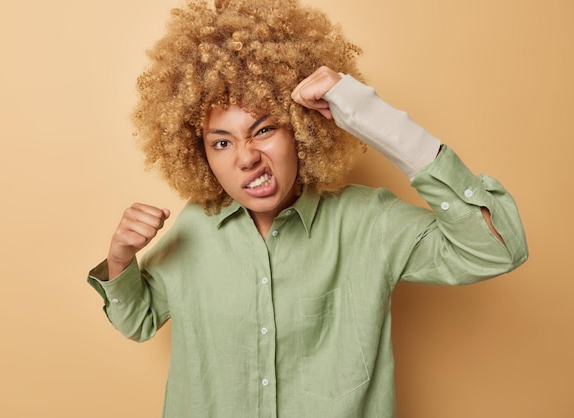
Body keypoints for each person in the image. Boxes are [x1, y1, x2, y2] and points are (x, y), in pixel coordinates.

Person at [87, 0, 528, 416]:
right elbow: (138, 321)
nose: (245, 157)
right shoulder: (194, 228)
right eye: (221, 141)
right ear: (199, 153)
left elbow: (496, 248)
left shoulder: (367, 221)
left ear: (299, 129)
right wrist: (121, 258)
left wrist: (374, 117)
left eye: (264, 129)